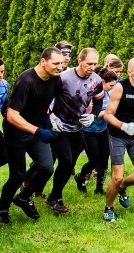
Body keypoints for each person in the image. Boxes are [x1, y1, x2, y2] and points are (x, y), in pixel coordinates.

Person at [0, 47, 64, 224]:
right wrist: (38, 131)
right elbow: (11, 115)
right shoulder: (26, 81)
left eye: (61, 63)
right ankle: (2, 210)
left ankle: (23, 197)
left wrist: (49, 119)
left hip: (37, 128)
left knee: (47, 167)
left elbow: (50, 101)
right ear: (43, 61)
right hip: (17, 132)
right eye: (55, 63)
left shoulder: (55, 79)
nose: (60, 67)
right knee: (17, 175)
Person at [42, 47, 104, 214]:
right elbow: (47, 98)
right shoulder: (63, 78)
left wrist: (93, 116)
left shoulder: (97, 80)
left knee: (70, 164)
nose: (91, 67)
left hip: (78, 128)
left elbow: (98, 102)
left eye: (94, 64)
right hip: (59, 126)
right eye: (88, 63)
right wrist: (52, 116)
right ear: (79, 61)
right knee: (65, 161)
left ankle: (53, 196)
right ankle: (56, 199)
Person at [102, 57, 134, 221]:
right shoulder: (120, 87)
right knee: (116, 176)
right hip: (117, 135)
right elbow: (107, 115)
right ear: (130, 72)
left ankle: (122, 188)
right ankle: (108, 208)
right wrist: (123, 126)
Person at [76, 64, 121, 195]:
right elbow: (90, 113)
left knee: (105, 159)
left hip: (103, 130)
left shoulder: (109, 94)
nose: (112, 88)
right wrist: (106, 113)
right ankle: (81, 177)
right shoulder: (91, 94)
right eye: (110, 85)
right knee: (95, 160)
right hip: (88, 131)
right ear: (102, 82)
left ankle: (99, 188)